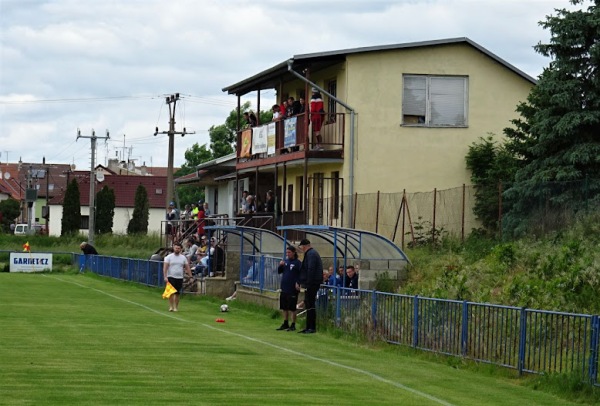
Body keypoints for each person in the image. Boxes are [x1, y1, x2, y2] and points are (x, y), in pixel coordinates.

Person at [297, 238, 323, 334]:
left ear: (304, 246)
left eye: (302, 247)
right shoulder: (310, 254)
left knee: (310, 304)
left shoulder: (311, 254)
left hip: (312, 283)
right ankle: (308, 326)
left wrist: (308, 283)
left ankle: (311, 327)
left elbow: (310, 269)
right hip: (311, 282)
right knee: (308, 304)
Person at [276, 246, 301, 331]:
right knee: (284, 307)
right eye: (287, 253)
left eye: (289, 252)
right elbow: (279, 271)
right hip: (284, 287)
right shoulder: (285, 262)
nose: (288, 254)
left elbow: (301, 274)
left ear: (294, 252)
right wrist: (280, 265)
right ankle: (285, 323)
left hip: (292, 288)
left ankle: (293, 324)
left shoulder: (298, 263)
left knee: (292, 308)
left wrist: (298, 282)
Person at [163, 242, 192, 312]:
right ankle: (171, 306)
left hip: (179, 277)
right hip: (171, 276)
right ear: (173, 248)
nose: (177, 249)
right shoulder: (169, 257)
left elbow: (187, 267)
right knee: (171, 292)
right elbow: (165, 267)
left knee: (177, 293)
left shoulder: (183, 258)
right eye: (176, 248)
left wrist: (190, 276)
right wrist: (165, 276)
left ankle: (176, 307)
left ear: (181, 249)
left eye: (179, 248)